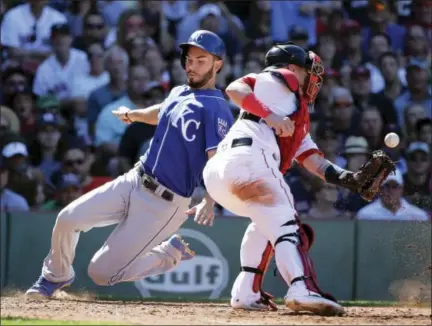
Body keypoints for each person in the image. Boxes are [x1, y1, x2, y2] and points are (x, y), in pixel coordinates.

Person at [25, 30, 234, 298]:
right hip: (135, 179)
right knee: (67, 219)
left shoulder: (217, 109)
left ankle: (167, 255)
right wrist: (133, 115)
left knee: (100, 274)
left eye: (201, 60)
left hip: (165, 204)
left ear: (218, 63)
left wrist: (209, 199)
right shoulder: (180, 91)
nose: (191, 66)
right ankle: (55, 277)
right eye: (189, 59)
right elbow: (161, 111)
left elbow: (217, 161)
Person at [203, 42, 394, 315]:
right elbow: (234, 89)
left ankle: (245, 292)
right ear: (292, 67)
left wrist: (349, 179)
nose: (311, 77)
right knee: (288, 226)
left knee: (266, 223)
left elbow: (313, 160)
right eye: (307, 70)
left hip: (220, 174)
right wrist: (270, 115)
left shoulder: (292, 112)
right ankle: (300, 288)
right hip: (249, 160)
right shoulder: (283, 78)